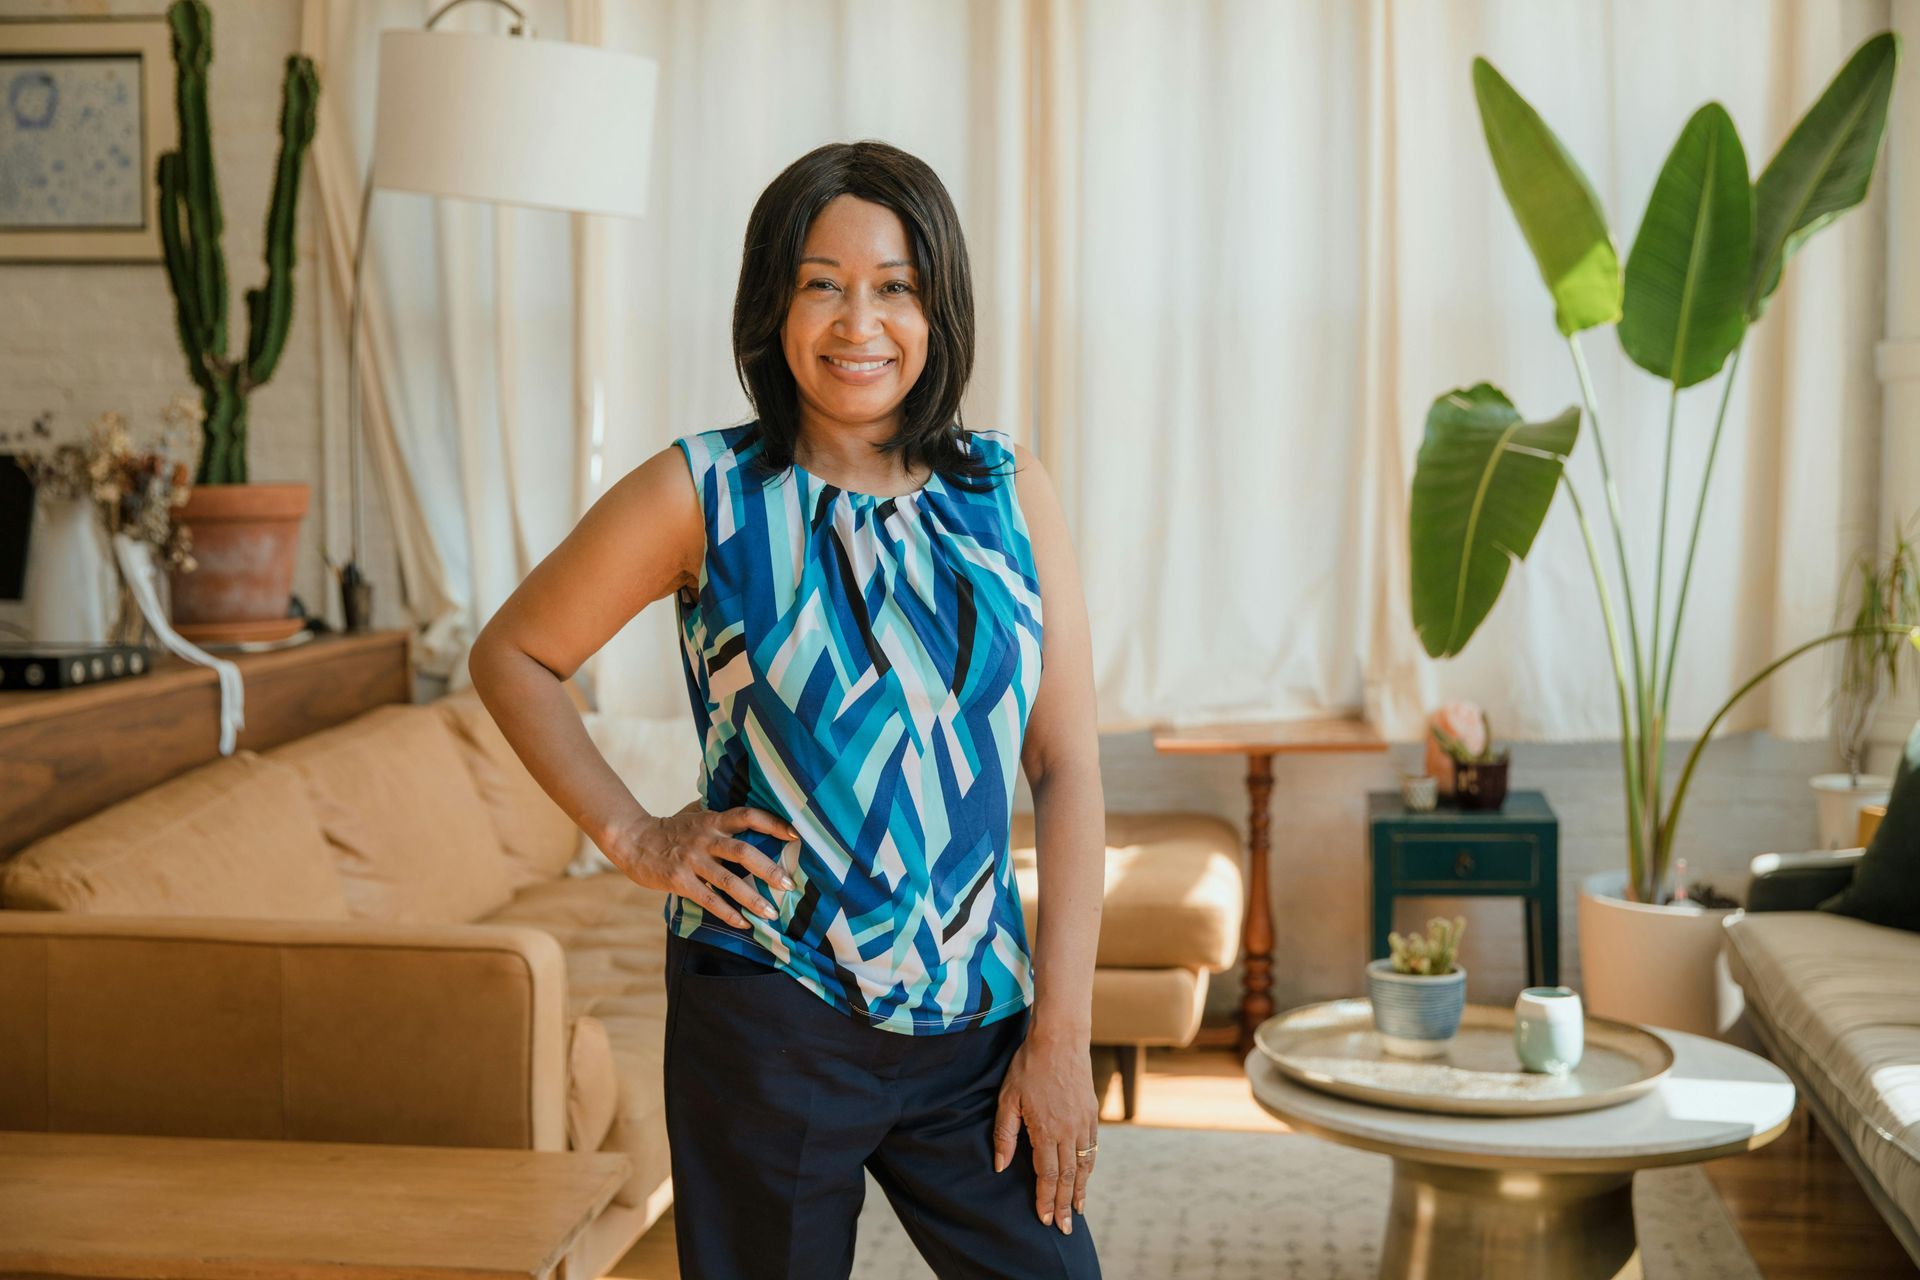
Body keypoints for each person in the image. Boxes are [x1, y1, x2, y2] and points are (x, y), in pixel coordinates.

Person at [469, 139, 1106, 1280]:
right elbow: (514, 652)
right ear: (774, 302)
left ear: (938, 306)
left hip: (978, 1018)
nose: (858, 321)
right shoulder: (702, 489)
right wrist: (634, 834)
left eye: (894, 286)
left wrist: (1059, 1035)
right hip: (771, 1009)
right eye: (822, 283)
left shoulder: (1009, 490)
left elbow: (1064, 766)